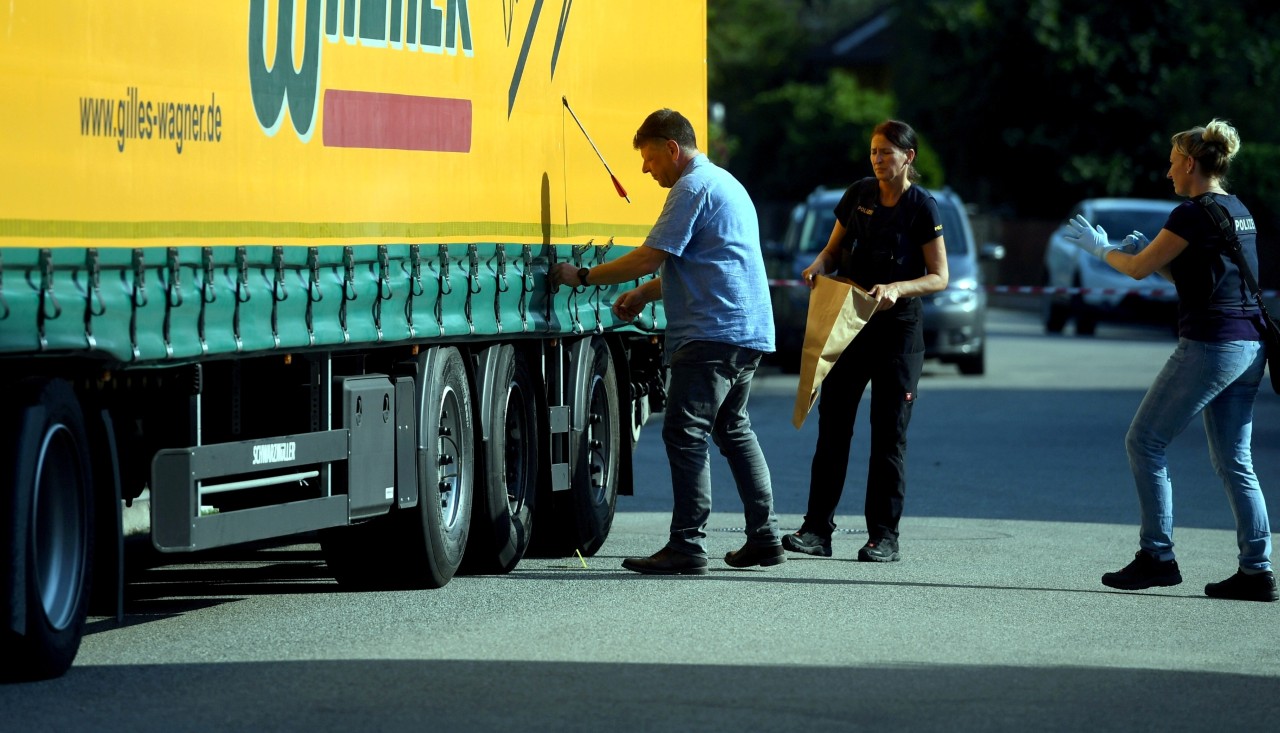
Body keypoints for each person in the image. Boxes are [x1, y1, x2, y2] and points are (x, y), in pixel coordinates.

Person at [549, 108, 784, 575]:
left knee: (684, 432)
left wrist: (583, 276)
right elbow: (701, 261)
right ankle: (764, 536)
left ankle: (688, 546)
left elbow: (651, 254)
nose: (644, 169)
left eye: (650, 158)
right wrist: (642, 293)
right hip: (745, 329)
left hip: (711, 333)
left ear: (673, 149)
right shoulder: (726, 183)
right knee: (733, 430)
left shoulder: (691, 188)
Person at [1065, 118, 1275, 602]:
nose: (1167, 173)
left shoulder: (1191, 213)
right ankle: (1256, 570)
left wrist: (1104, 251)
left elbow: (1136, 271)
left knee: (1145, 441)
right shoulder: (1237, 209)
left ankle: (1157, 556)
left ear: (1190, 163)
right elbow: (1201, 278)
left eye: (1172, 162)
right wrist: (1152, 258)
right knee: (1235, 460)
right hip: (1250, 345)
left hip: (1212, 345)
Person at [781, 120, 949, 562]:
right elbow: (834, 249)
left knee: (888, 436)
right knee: (833, 428)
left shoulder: (922, 207)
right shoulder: (859, 194)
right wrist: (818, 265)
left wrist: (898, 288)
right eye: (874, 151)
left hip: (898, 333)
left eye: (887, 152)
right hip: (850, 323)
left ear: (908, 157)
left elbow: (939, 277)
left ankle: (884, 537)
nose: (877, 159)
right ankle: (817, 531)